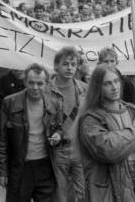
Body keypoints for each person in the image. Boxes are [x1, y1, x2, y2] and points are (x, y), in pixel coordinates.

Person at [77, 64, 135, 201]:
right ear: (98, 87)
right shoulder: (91, 120)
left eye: (116, 81)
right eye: (107, 83)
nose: (114, 87)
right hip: (110, 192)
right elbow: (107, 150)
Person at [0, 63, 64, 202]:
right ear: (25, 81)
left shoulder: (55, 103)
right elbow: (1, 139)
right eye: (31, 82)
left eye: (40, 83)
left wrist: (58, 135)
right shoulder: (10, 103)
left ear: (46, 83)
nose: (35, 87)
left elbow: (59, 127)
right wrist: (0, 171)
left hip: (46, 167)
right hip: (19, 168)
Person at [47, 47, 87, 202]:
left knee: (83, 192)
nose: (70, 67)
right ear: (56, 65)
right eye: (65, 64)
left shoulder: (84, 89)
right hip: (58, 149)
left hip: (80, 148)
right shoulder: (46, 89)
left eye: (73, 64)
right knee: (61, 194)